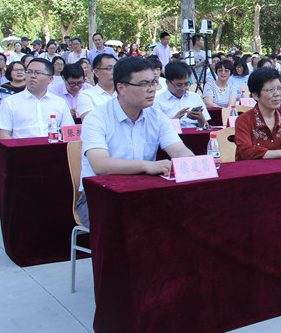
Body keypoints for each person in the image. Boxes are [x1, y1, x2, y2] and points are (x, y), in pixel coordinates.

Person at [77, 56, 195, 225]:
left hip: (144, 192)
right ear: (121, 88)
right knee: (134, 225)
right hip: (99, 196)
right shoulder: (97, 118)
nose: (152, 89)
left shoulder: (156, 116)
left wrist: (190, 162)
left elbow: (178, 150)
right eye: (144, 84)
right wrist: (147, 166)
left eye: (153, 83)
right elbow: (100, 165)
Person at [0, 58, 74, 138]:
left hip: (53, 145)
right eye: (29, 72)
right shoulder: (9, 102)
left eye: (38, 73)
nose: (32, 76)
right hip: (21, 146)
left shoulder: (60, 103)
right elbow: (4, 135)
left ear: (50, 79)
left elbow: (70, 134)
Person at [235, 68, 281, 160]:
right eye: (271, 90)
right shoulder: (244, 120)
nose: (277, 94)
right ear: (255, 95)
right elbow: (246, 152)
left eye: (279, 88)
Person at [154, 61, 210, 129]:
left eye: (186, 84)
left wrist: (201, 118)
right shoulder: (158, 102)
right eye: (179, 85)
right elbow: (156, 129)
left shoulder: (195, 97)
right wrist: (175, 120)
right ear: (168, 82)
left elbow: (207, 128)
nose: (183, 88)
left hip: (194, 133)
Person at [77, 54, 118, 120]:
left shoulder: (124, 93)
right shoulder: (87, 95)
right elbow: (90, 121)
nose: (113, 72)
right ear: (97, 72)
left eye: (116, 68)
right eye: (109, 69)